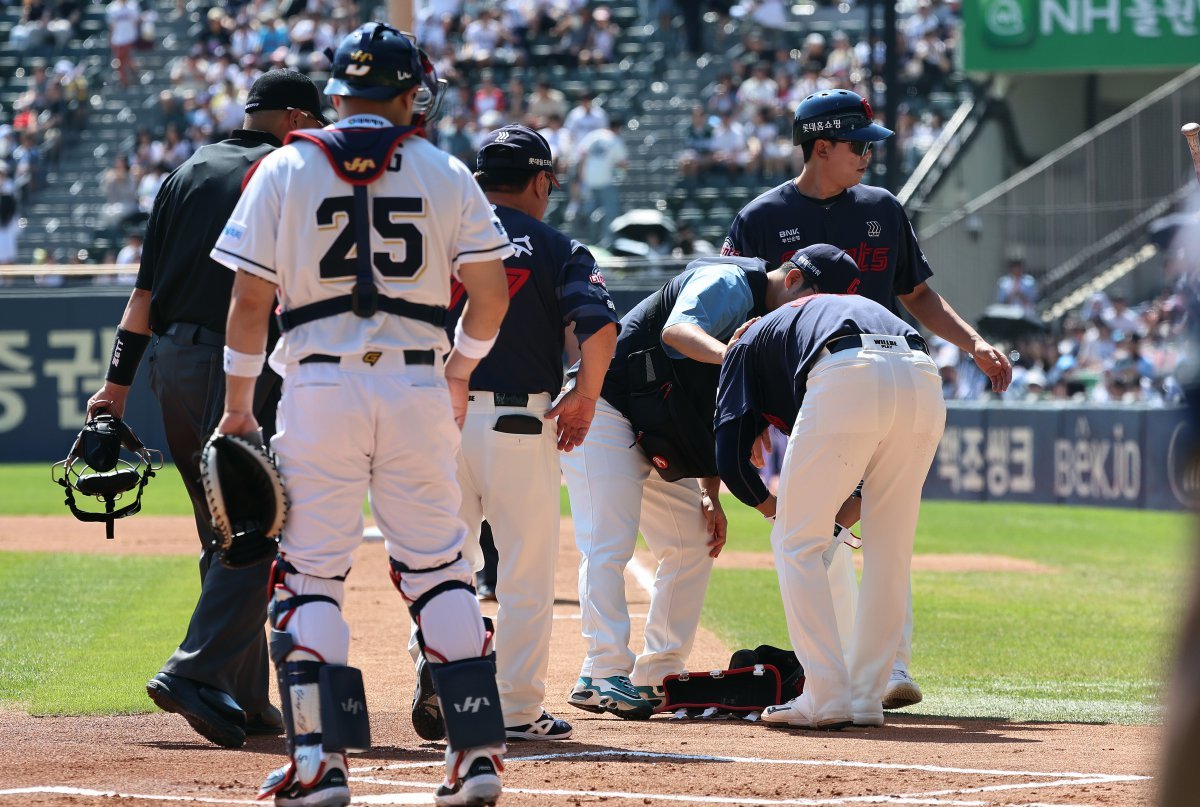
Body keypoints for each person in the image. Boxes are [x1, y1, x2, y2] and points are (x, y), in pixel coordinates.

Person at [209, 23, 513, 807]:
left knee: (311, 575)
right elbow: (488, 295)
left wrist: (239, 406)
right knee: (442, 567)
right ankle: (476, 751)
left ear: (337, 92)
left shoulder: (283, 165)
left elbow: (248, 302)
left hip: (317, 386)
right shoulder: (446, 169)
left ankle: (322, 761)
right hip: (416, 385)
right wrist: (459, 370)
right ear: (412, 95)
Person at [721, 88, 1012, 711]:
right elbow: (739, 305)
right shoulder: (760, 218)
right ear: (819, 147)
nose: (868, 158)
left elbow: (919, 293)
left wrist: (974, 342)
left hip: (869, 376)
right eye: (857, 146)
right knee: (832, 534)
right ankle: (853, 677)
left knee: (856, 532)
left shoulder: (882, 207)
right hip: (806, 392)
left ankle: (876, 673)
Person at [85, 69, 327, 750]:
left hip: (171, 363)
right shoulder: (292, 168)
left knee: (222, 527)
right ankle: (195, 671)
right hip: (241, 361)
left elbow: (143, 297)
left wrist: (115, 386)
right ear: (293, 119)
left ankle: (245, 697)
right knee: (259, 520)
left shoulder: (184, 172)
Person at [411, 123, 620, 745]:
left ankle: (439, 669)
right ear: (539, 180)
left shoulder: (436, 238)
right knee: (525, 575)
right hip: (518, 422)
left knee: (439, 565)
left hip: (432, 418)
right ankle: (514, 709)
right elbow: (599, 329)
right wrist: (584, 397)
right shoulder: (560, 247)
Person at [560, 247, 830, 718]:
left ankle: (655, 674)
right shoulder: (730, 281)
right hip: (605, 406)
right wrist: (736, 357)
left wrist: (710, 494)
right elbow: (676, 333)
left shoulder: (765, 327)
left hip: (655, 427)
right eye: (811, 299)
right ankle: (601, 672)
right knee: (608, 540)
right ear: (791, 282)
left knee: (692, 542)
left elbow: (705, 411)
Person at [714, 245, 946, 729]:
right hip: (924, 375)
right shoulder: (821, 313)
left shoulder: (742, 342)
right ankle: (864, 699)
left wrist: (774, 507)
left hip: (847, 370)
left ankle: (825, 695)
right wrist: (840, 506)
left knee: (796, 542)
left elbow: (729, 457)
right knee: (889, 549)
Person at [575, 117, 628, 243]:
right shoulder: (615, 139)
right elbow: (623, 163)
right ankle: (606, 241)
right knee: (611, 212)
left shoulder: (593, 135)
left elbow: (581, 156)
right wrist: (621, 176)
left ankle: (588, 241)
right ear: (617, 128)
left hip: (589, 181)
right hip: (605, 181)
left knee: (589, 212)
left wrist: (581, 178)